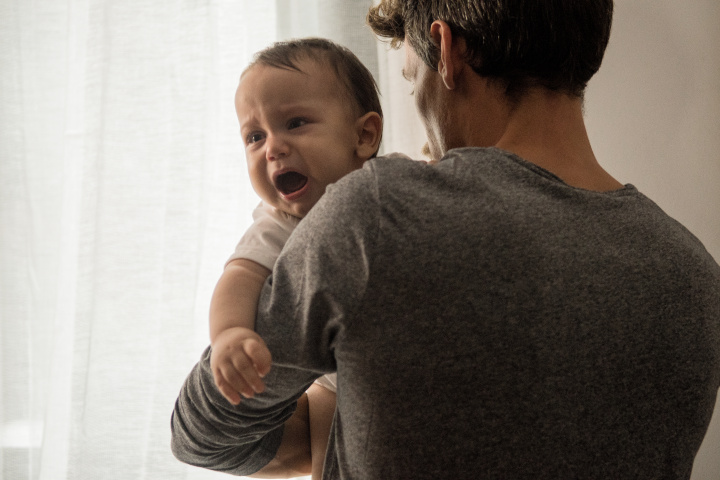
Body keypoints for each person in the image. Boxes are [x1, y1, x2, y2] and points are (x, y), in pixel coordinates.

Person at [172, 1, 720, 479]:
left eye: (412, 80)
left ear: (448, 51)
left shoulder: (379, 212)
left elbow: (202, 432)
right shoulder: (693, 273)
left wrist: (332, 420)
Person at [199, 38, 383, 478]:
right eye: (255, 136)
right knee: (328, 436)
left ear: (363, 135)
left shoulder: (390, 188)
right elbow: (239, 276)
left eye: (295, 123)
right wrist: (229, 334)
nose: (272, 148)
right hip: (330, 382)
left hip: (387, 364)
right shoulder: (279, 223)